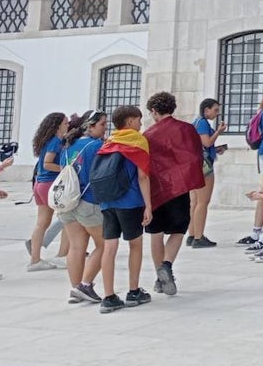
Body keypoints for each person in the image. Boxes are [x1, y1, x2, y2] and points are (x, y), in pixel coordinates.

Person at [143, 92, 205, 297]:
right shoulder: (187, 129)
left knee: (156, 233)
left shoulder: (148, 135)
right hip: (179, 188)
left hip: (155, 190)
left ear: (154, 111)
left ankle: (158, 275)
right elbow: (195, 156)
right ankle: (167, 266)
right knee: (178, 230)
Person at [96, 105, 153, 314]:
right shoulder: (137, 140)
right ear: (129, 121)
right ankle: (133, 291)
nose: (141, 123)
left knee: (109, 248)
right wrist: (149, 205)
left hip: (107, 202)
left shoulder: (109, 142)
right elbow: (143, 176)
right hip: (130, 201)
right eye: (139, 120)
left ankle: (109, 296)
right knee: (135, 245)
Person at [60, 110, 107, 304]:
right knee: (104, 244)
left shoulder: (69, 146)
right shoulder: (96, 145)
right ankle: (85, 284)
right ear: (91, 125)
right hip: (89, 200)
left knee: (76, 247)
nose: (106, 128)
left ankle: (75, 287)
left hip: (67, 201)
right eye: (103, 124)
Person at [28, 111, 67, 272]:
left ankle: (35, 260)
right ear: (58, 125)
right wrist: (65, 169)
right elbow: (47, 163)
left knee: (41, 223)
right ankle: (63, 255)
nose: (68, 125)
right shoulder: (55, 141)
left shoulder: (47, 140)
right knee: (68, 219)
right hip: (51, 184)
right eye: (65, 123)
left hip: (40, 185)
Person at [188, 98, 225, 249]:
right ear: (206, 110)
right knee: (202, 202)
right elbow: (206, 143)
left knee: (195, 202)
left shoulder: (196, 122)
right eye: (215, 110)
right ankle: (198, 237)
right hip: (203, 166)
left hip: (194, 164)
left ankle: (192, 234)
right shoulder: (202, 123)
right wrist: (218, 132)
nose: (217, 113)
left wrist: (217, 149)